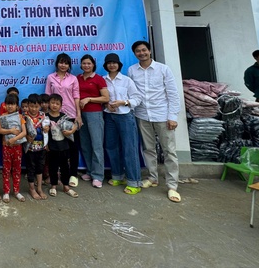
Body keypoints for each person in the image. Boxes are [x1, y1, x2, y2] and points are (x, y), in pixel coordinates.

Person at [128, 40, 182, 203]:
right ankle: (153, 178)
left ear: (150, 51)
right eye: (138, 51)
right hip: (142, 115)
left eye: (144, 50)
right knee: (148, 149)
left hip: (162, 115)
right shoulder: (132, 70)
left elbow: (173, 94)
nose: (141, 53)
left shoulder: (163, 69)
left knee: (169, 151)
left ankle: (172, 186)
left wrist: (172, 116)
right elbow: (132, 93)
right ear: (135, 54)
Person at [102, 53, 143, 195]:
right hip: (109, 117)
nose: (112, 65)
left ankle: (134, 181)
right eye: (109, 63)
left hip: (125, 117)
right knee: (111, 147)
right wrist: (107, 104)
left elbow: (137, 98)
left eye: (114, 63)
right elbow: (101, 98)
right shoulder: (103, 80)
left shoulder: (127, 81)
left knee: (129, 148)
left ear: (119, 65)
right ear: (106, 65)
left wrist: (123, 102)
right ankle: (118, 176)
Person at [45, 53, 82, 188]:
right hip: (54, 116)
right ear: (57, 64)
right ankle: (55, 175)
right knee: (54, 147)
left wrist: (78, 115)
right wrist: (46, 115)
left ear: (69, 65)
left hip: (70, 114)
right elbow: (48, 95)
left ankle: (72, 175)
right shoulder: (50, 78)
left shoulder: (73, 79)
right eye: (61, 62)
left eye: (66, 63)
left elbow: (76, 96)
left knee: (72, 147)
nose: (63, 65)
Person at [77, 54, 109, 188]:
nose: (86, 66)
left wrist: (89, 99)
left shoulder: (98, 79)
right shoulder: (77, 78)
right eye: (84, 63)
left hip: (94, 114)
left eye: (89, 63)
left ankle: (98, 176)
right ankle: (90, 171)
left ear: (93, 65)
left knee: (96, 145)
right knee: (85, 144)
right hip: (80, 114)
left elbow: (106, 98)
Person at [46, 93, 78, 198]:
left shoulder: (64, 117)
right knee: (53, 167)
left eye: (57, 103)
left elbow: (75, 125)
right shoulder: (45, 117)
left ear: (61, 106)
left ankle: (66, 186)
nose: (54, 105)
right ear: (49, 104)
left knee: (65, 167)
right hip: (52, 147)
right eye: (52, 103)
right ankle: (54, 186)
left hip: (64, 147)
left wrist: (70, 132)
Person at [0, 94, 27, 203]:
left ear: (16, 106)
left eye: (12, 104)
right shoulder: (3, 116)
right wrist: (10, 131)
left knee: (17, 169)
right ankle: (6, 192)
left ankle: (16, 191)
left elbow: (24, 132)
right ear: (5, 105)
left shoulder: (20, 117)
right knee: (6, 169)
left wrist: (14, 139)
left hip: (17, 147)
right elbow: (0, 130)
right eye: (8, 104)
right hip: (6, 147)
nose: (10, 106)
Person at [24, 94, 49, 200]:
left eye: (36, 106)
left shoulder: (43, 117)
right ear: (28, 105)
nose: (33, 109)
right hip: (30, 148)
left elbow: (48, 130)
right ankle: (31, 189)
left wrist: (47, 129)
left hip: (41, 147)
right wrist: (25, 136)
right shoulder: (24, 117)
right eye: (31, 106)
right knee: (30, 168)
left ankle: (39, 188)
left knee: (40, 168)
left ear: (40, 106)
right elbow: (20, 130)